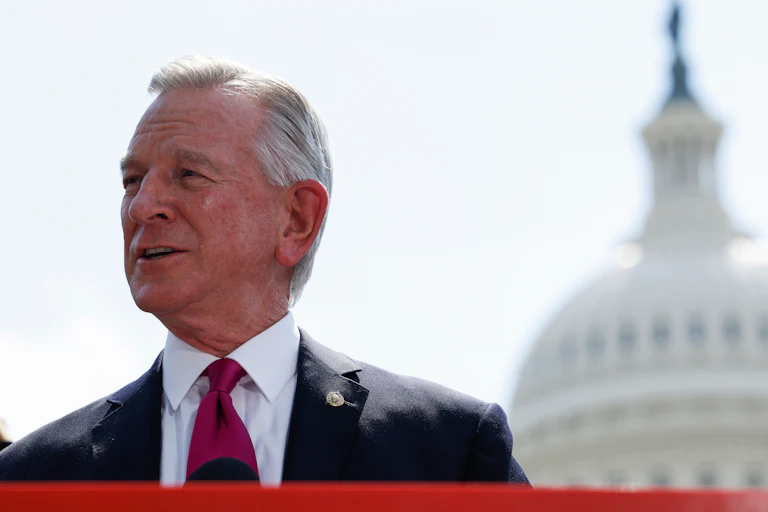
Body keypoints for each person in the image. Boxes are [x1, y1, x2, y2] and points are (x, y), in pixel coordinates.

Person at [0, 56, 529, 484]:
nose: (143, 207)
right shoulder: (32, 478)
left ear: (297, 218)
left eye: (188, 174)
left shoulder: (452, 453)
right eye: (132, 180)